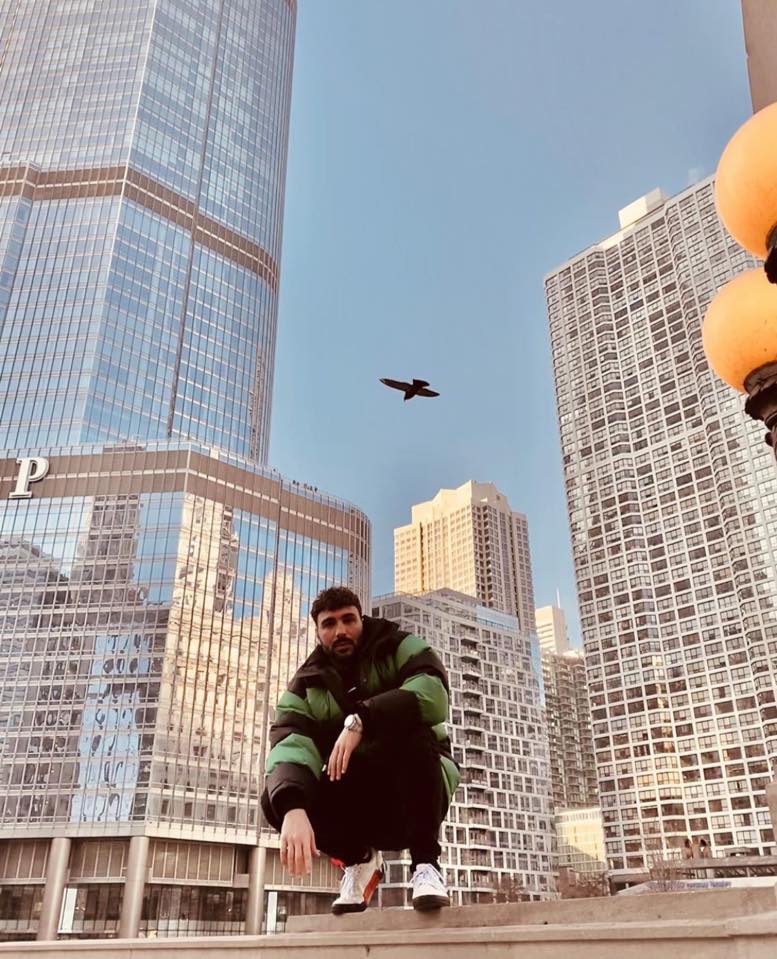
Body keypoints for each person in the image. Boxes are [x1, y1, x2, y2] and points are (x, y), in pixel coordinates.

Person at [261, 586, 460, 914]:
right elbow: (289, 740)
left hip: (414, 792)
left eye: (348, 620)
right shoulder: (306, 683)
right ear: (317, 632)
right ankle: (359, 860)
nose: (340, 630)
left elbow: (433, 692)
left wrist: (362, 720)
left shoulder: (399, 645)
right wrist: (292, 807)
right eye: (329, 624)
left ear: (362, 620)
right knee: (277, 797)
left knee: (412, 732)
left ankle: (426, 865)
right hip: (357, 800)